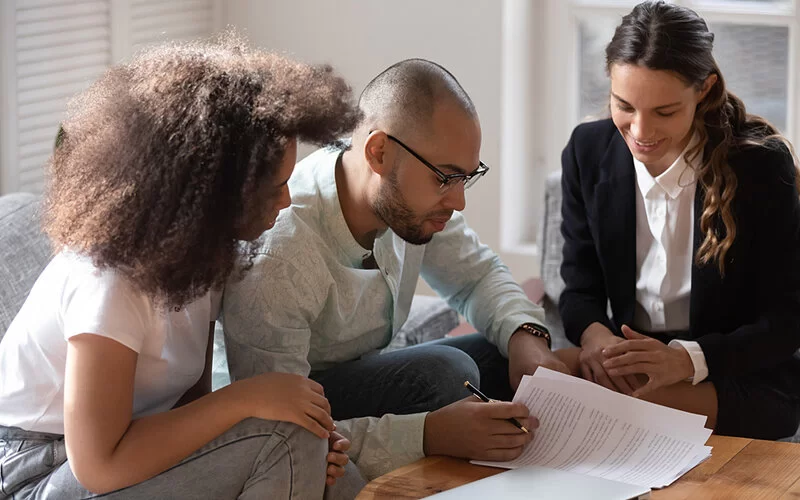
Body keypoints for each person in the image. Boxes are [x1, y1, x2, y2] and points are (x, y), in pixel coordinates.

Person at [0, 35, 362, 499]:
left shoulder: (202, 257)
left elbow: (190, 412)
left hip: (118, 451)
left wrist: (292, 435)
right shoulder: (110, 280)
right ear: (213, 190)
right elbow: (98, 466)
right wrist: (248, 399)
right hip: (37, 473)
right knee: (284, 439)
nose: (286, 201)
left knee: (332, 469)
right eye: (274, 188)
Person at [222, 58, 569, 481]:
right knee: (449, 375)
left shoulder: (409, 204)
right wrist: (428, 435)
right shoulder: (280, 256)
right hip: (295, 403)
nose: (458, 202)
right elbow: (277, 435)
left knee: (510, 353)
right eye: (446, 178)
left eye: (467, 177)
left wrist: (527, 340)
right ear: (380, 153)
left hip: (357, 375)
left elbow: (477, 277)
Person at [557, 0, 800, 440]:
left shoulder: (760, 167)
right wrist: (596, 339)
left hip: (733, 367)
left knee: (623, 405)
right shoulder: (586, 151)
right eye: (624, 106)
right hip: (633, 361)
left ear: (704, 90)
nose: (640, 132)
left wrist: (689, 359)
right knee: (540, 374)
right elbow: (578, 290)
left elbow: (786, 322)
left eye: (664, 112)